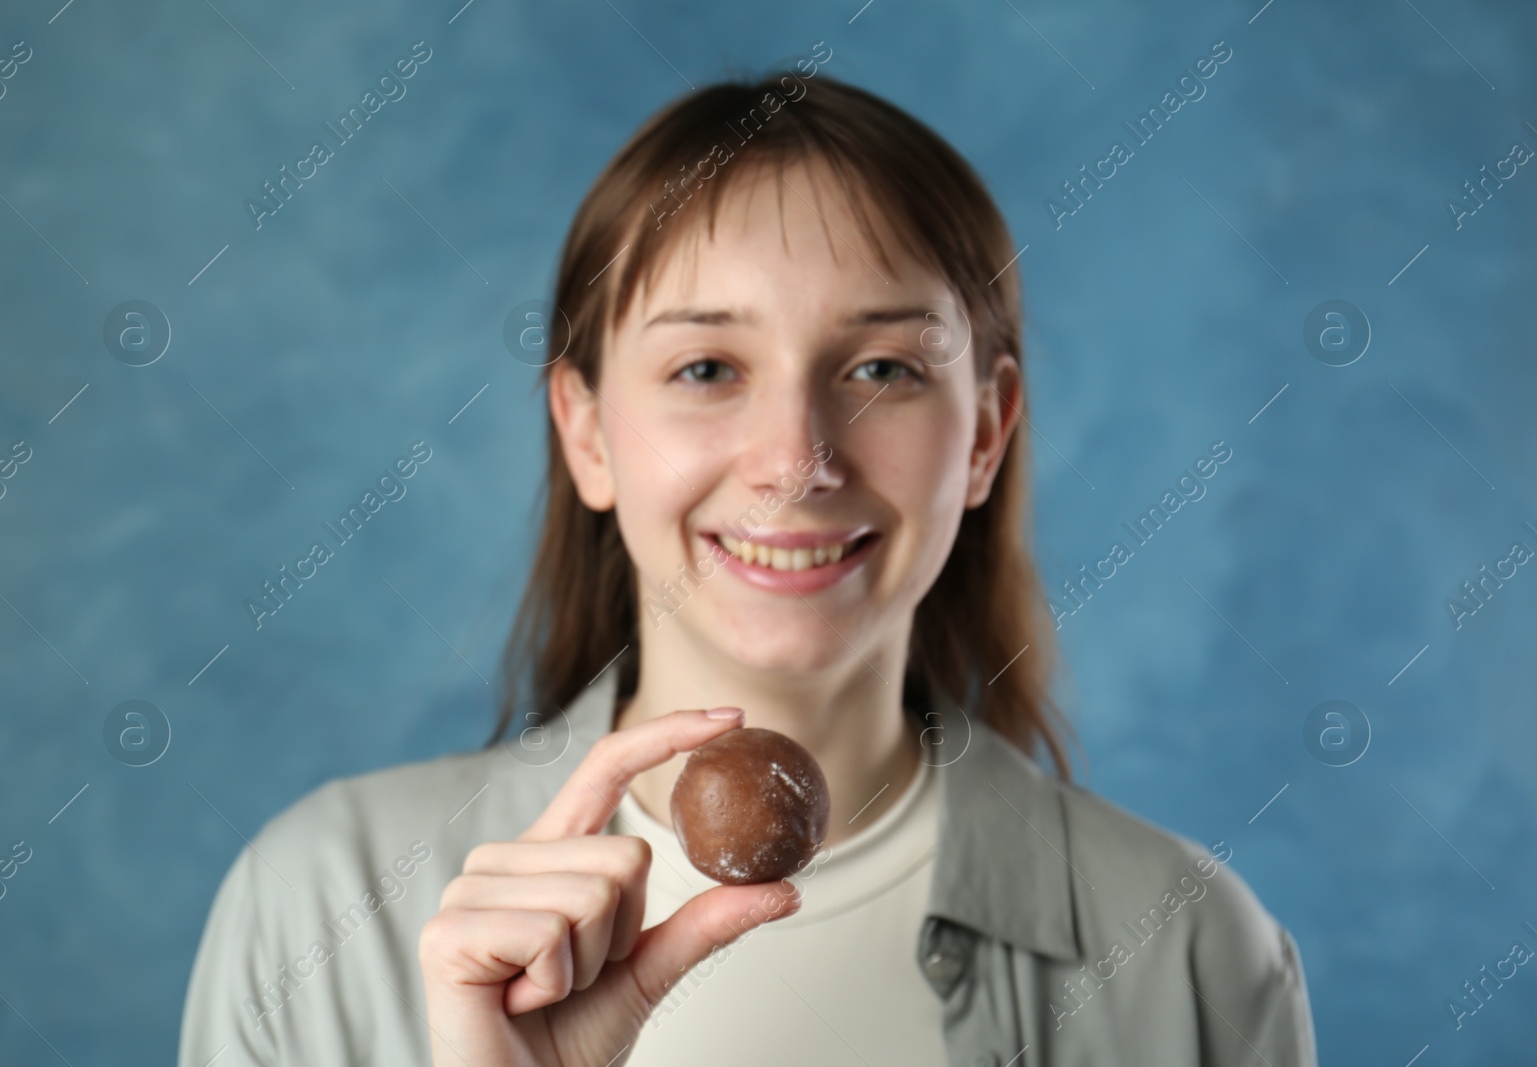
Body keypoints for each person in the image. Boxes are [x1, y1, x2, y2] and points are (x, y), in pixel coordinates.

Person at [179, 69, 1317, 1066]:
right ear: (586, 433)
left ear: (983, 432)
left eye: (879, 367)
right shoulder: (319, 903)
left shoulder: (1192, 948)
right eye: (707, 366)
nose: (793, 462)